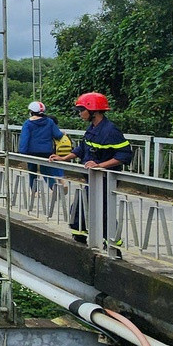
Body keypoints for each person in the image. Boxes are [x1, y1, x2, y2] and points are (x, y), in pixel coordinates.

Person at [49, 92, 132, 244]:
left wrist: (100, 166)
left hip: (106, 179)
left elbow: (125, 155)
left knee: (104, 211)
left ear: (93, 110)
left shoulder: (110, 131)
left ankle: (113, 246)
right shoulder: (93, 128)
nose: (80, 114)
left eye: (82, 110)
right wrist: (64, 157)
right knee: (80, 208)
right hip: (92, 178)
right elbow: (83, 148)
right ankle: (79, 237)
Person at [18, 101, 65, 190]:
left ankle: (34, 191)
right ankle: (54, 188)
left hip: (31, 152)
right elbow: (58, 135)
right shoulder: (50, 122)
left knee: (32, 171)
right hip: (46, 151)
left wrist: (22, 153)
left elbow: (24, 139)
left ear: (31, 112)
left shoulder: (28, 123)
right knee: (46, 172)